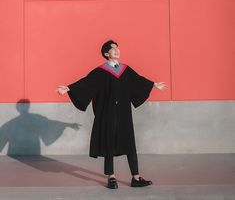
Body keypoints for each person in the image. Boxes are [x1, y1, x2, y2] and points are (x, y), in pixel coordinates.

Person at [57, 40, 167, 189]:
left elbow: (138, 80)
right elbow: (87, 82)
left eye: (117, 48)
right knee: (109, 143)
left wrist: (153, 84)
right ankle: (111, 177)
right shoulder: (101, 71)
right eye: (112, 49)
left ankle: (136, 177)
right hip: (108, 112)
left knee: (129, 142)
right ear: (106, 54)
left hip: (124, 113)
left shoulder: (125, 69)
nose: (117, 51)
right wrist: (69, 88)